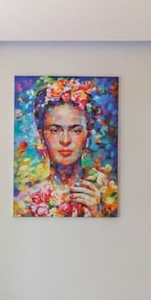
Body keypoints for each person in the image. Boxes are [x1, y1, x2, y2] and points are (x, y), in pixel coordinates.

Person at [15, 77, 118, 217]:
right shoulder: (26, 202)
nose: (65, 140)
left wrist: (97, 214)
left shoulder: (108, 192)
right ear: (42, 136)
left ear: (88, 135)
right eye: (55, 130)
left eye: (75, 130)